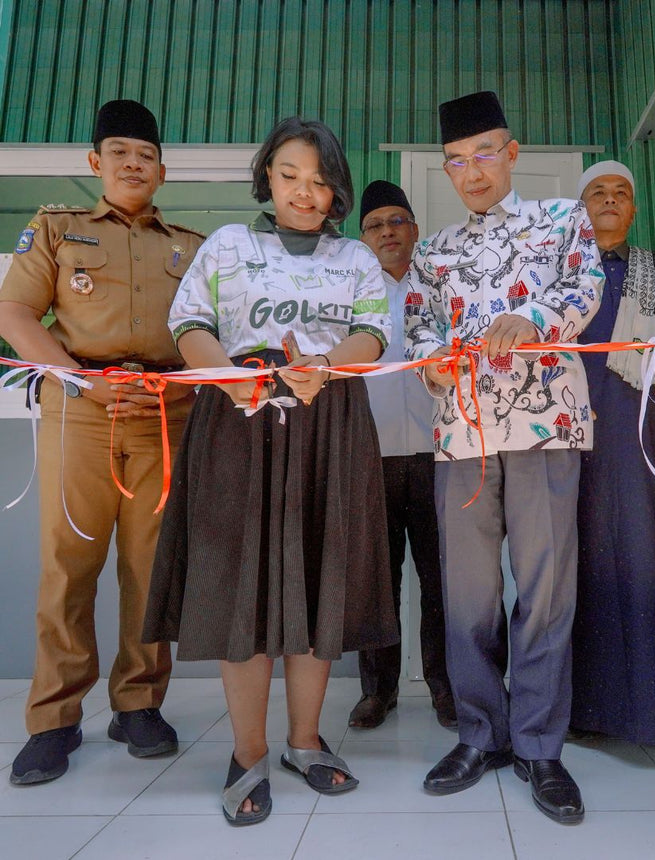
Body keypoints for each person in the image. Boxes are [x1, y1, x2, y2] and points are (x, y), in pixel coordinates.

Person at [141, 117, 399, 827]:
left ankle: (306, 740)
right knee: (244, 590)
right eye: (289, 175)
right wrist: (227, 378)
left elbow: (373, 330)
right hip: (239, 422)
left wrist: (325, 364)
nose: (304, 192)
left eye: (319, 180)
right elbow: (188, 321)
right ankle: (247, 751)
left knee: (318, 584)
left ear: (336, 187)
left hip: (330, 424)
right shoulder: (227, 245)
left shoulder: (355, 259)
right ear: (267, 176)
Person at [405, 90, 604, 825]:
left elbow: (586, 287)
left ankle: (540, 746)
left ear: (512, 152)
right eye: (456, 161)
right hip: (464, 435)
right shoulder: (434, 250)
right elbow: (420, 325)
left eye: (484, 153)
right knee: (468, 595)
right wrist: (429, 361)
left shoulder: (560, 220)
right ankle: (480, 734)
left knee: (546, 590)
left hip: (548, 426)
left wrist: (536, 317)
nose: (472, 171)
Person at [0, 100, 204, 786]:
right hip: (81, 411)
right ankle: (54, 719)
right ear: (96, 163)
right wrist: (81, 381)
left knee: (152, 568)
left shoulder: (189, 245)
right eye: (119, 153)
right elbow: (13, 311)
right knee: (69, 566)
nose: (133, 164)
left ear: (162, 171)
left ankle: (139, 705)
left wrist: (183, 387)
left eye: (145, 156)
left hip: (164, 414)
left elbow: (208, 336)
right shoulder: (58, 228)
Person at [566, 160, 655, 748]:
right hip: (580, 433)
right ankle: (588, 710)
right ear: (580, 209)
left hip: (652, 434)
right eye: (597, 193)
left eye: (620, 193)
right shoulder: (560, 273)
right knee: (586, 559)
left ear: (633, 209)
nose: (608, 200)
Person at [348, 180, 456, 730]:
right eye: (375, 225)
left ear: (415, 229)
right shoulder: (350, 294)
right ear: (362, 238)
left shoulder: (441, 282)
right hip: (372, 457)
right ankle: (377, 691)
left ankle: (447, 688)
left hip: (442, 457)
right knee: (376, 580)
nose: (387, 231)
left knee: (444, 580)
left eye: (397, 221)